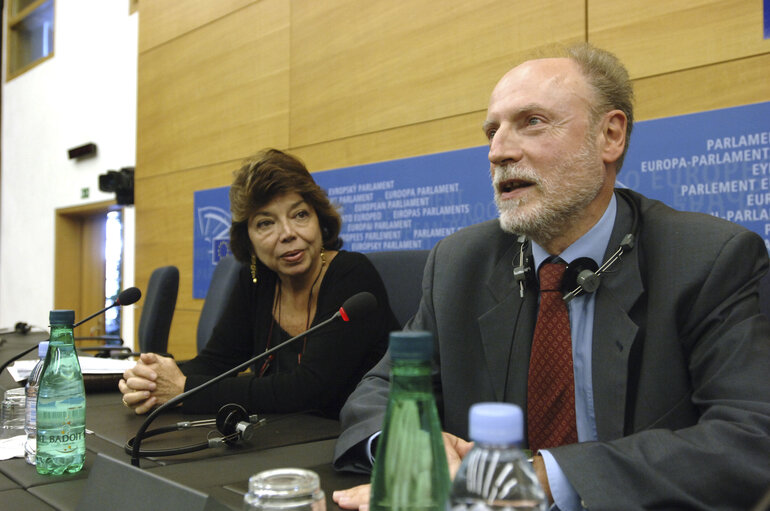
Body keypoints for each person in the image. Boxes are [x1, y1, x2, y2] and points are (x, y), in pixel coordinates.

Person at [332, 43, 770, 510]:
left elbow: (749, 435)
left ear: (610, 136)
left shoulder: (707, 260)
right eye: (491, 132)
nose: (498, 152)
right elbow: (381, 390)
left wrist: (537, 477)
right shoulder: (458, 264)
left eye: (532, 122)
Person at [119, 149, 399, 418]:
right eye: (266, 223)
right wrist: (151, 378)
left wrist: (184, 391)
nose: (288, 233)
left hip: (362, 440)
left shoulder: (352, 275)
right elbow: (217, 361)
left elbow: (311, 389)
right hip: (286, 437)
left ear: (319, 219)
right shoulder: (257, 278)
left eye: (300, 215)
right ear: (247, 238)